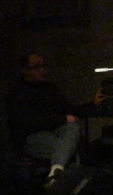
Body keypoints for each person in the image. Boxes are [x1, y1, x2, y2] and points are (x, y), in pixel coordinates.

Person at [6, 53, 82, 186]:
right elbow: (29, 122)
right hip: (32, 137)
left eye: (43, 66)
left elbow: (68, 108)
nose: (42, 70)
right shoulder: (18, 93)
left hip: (56, 132)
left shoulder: (50, 89)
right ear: (25, 70)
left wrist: (93, 104)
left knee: (73, 129)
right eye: (36, 67)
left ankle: (55, 174)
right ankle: (67, 183)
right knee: (68, 147)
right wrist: (63, 119)